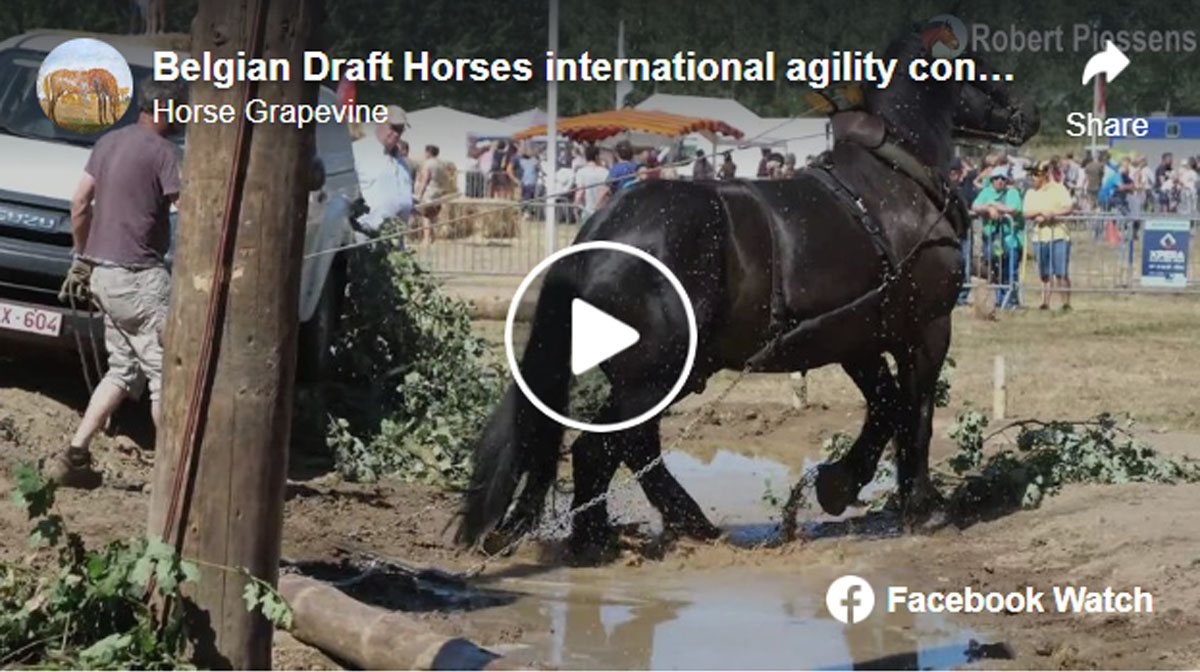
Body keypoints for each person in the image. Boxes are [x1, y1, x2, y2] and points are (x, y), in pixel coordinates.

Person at [48, 80, 187, 488]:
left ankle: (75, 454)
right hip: (141, 277)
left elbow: (79, 204)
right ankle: (173, 474)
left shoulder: (108, 143)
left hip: (104, 276)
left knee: (122, 371)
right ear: (162, 109)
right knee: (165, 375)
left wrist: (82, 257)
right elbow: (191, 209)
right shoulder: (164, 153)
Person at [352, 105, 413, 237]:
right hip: (366, 236)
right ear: (379, 122)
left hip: (396, 236)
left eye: (400, 130)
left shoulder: (402, 163)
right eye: (393, 128)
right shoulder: (358, 152)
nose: (396, 134)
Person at [1024, 161, 1074, 311]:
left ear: (1044, 175)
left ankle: (1066, 303)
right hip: (1040, 237)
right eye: (1031, 174)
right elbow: (1026, 212)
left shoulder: (1059, 189)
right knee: (1044, 273)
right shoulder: (1030, 193)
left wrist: (1051, 214)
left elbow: (1068, 207)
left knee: (1061, 273)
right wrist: (1041, 212)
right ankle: (1045, 302)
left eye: (1036, 174)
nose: (1032, 177)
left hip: (1059, 235)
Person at [971, 166, 1024, 309]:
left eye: (1002, 178)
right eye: (996, 178)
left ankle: (1012, 301)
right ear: (992, 180)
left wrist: (994, 204)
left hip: (1010, 240)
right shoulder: (986, 191)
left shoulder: (1012, 192)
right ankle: (1000, 300)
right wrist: (988, 208)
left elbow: (1013, 209)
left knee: (1010, 272)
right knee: (995, 271)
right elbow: (975, 206)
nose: (1000, 181)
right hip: (992, 240)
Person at [414, 144, 446, 244]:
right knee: (432, 215)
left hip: (429, 192)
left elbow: (425, 179)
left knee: (426, 216)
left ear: (428, 152)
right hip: (438, 192)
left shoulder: (428, 164)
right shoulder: (441, 164)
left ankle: (426, 239)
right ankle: (432, 238)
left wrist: (419, 193)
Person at [574, 144, 609, 223]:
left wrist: (576, 206)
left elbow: (580, 192)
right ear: (597, 157)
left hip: (587, 211)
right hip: (602, 212)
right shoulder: (605, 172)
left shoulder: (581, 172)